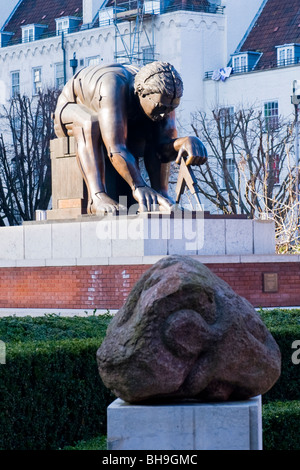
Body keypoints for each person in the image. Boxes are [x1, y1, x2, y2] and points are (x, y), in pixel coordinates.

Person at [54, 61, 207, 214]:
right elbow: (115, 148)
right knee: (89, 123)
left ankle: (161, 194)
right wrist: (138, 186)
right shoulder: (112, 86)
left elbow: (162, 148)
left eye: (171, 108)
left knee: (153, 127)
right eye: (160, 107)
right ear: (141, 92)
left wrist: (185, 143)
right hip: (70, 107)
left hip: (121, 113)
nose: (164, 114)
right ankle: (96, 197)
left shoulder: (165, 97)